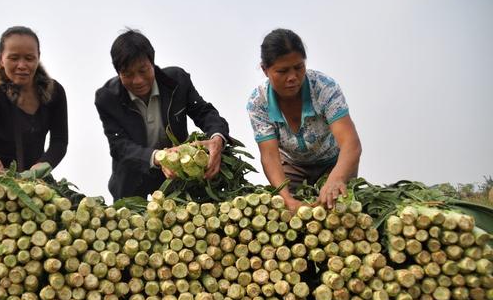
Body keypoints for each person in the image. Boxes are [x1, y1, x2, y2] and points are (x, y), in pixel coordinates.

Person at [95, 29, 230, 201]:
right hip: (131, 180)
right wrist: (158, 157)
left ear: (152, 63)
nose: (137, 81)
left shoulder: (177, 81)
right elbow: (120, 146)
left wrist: (217, 138)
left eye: (143, 71)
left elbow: (204, 112)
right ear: (118, 73)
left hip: (177, 178)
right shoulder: (107, 98)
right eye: (128, 74)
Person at [247, 28, 362, 211]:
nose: (292, 77)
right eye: (282, 71)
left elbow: (350, 143)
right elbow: (269, 155)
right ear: (265, 70)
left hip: (333, 163)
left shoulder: (325, 88)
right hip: (293, 167)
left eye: (298, 67)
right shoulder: (258, 103)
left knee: (339, 212)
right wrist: (285, 197)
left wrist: (336, 178)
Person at [0, 26, 68, 178]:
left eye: (29, 58)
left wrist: (43, 165)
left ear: (38, 56)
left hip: (37, 181)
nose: (22, 65)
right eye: (14, 58)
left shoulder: (55, 92)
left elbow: (59, 141)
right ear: (1, 58)